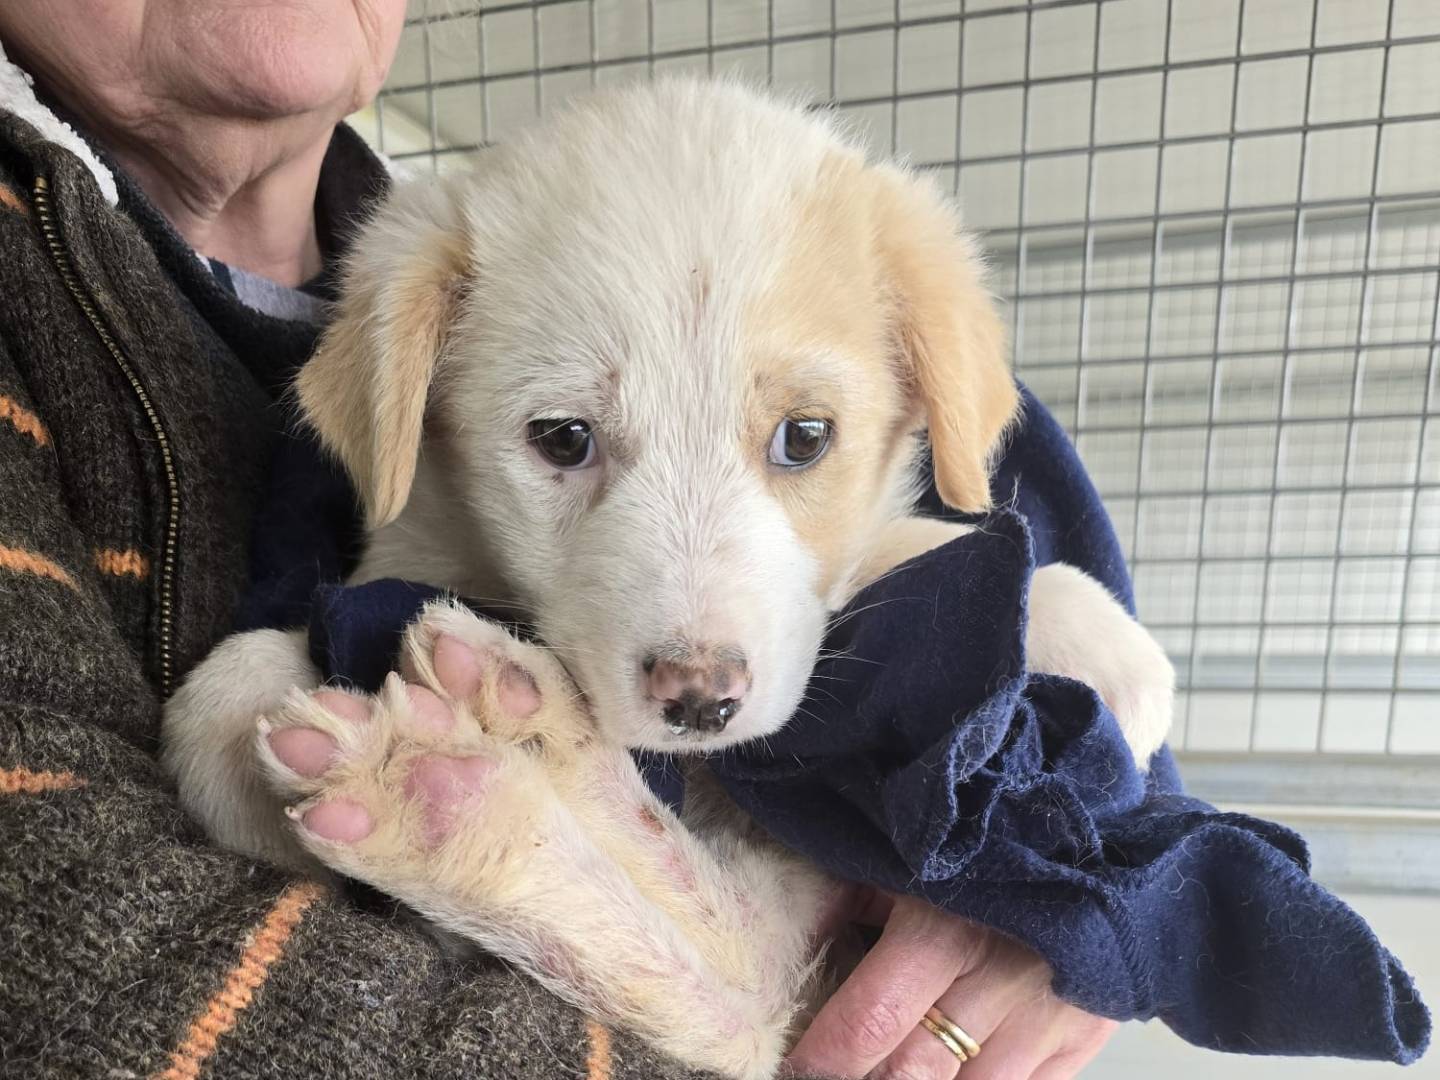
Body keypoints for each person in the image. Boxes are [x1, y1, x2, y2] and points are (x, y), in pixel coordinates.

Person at [0, 3, 1117, 1077]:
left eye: (802, 437)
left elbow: (1096, 726)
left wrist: (1076, 897)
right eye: (567, 438)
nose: (699, 652)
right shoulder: (428, 291)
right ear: (414, 411)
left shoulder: (489, 250)